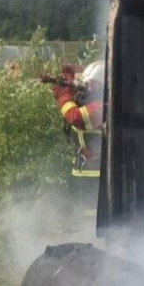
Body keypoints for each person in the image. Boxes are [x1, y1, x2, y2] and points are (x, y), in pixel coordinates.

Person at [49, 60, 104, 215]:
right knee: (81, 216)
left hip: (96, 177)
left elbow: (75, 117)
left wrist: (64, 95)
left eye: (91, 84)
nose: (86, 87)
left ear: (102, 86)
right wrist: (69, 85)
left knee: (93, 218)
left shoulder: (102, 107)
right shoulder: (87, 102)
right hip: (81, 173)